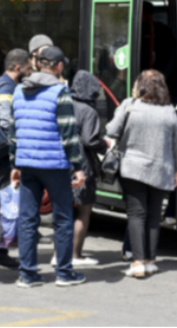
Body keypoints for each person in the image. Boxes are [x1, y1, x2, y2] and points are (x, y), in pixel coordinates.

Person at [9, 46, 87, 289]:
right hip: (54, 165)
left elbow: (13, 131)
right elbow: (68, 133)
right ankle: (64, 273)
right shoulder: (60, 91)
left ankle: (27, 274)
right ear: (59, 66)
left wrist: (14, 163)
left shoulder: (19, 90)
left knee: (27, 218)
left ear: (38, 65)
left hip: (27, 164)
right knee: (63, 218)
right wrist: (78, 166)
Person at [106, 70, 177, 279]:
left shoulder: (129, 105)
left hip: (132, 168)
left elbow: (112, 130)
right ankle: (150, 261)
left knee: (136, 214)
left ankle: (138, 262)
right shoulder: (169, 111)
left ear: (140, 85)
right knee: (153, 215)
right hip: (161, 168)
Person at [0, 49, 32, 270]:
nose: (30, 73)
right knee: (5, 204)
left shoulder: (1, 84)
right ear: (18, 68)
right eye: (28, 69)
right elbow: (5, 123)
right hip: (4, 156)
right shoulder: (6, 88)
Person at [70, 71, 109, 267]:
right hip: (83, 162)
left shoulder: (66, 103)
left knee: (65, 210)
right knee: (84, 210)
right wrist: (106, 145)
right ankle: (75, 255)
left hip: (63, 160)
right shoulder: (89, 111)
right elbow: (91, 140)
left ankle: (59, 253)